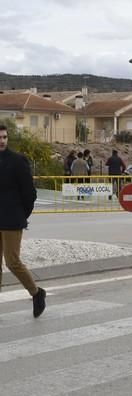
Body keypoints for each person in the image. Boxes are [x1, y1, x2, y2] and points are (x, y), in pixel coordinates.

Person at [0, 124, 46, 317]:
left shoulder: (18, 161)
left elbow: (30, 193)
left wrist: (22, 215)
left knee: (12, 262)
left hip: (12, 220)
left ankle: (36, 293)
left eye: (4, 137)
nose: (2, 140)